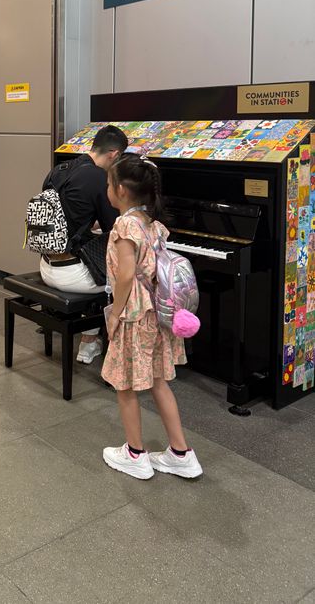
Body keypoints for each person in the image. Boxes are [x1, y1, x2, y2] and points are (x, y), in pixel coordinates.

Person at [101, 153, 202, 481]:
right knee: (159, 381)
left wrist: (115, 314)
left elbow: (126, 275)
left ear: (120, 189)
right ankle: (181, 453)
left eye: (108, 184)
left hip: (134, 314)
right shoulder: (153, 224)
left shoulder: (125, 224)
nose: (107, 190)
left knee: (125, 384)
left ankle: (135, 454)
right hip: (158, 314)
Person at [40, 125, 128, 364]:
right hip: (73, 276)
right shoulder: (98, 177)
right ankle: (89, 344)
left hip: (46, 266)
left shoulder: (58, 170)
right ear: (114, 154)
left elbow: (62, 219)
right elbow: (114, 226)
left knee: (99, 257)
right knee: (123, 275)